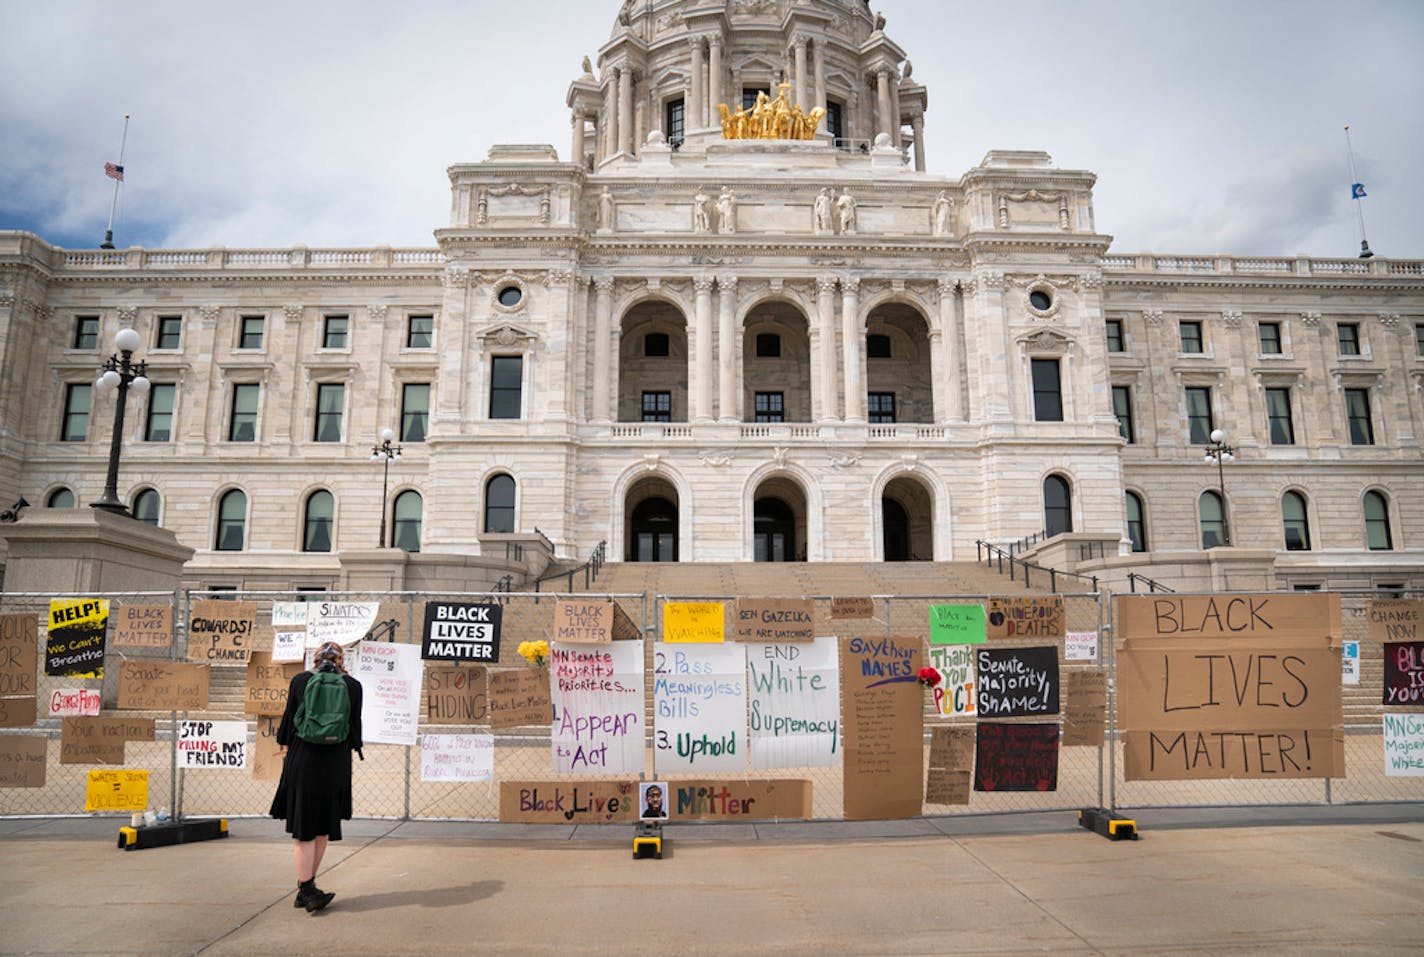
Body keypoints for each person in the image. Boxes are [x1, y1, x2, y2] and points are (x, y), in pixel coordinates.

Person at [269, 641, 364, 913]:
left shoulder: (300, 681)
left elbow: (288, 724)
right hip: (336, 763)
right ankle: (307, 888)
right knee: (322, 826)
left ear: (314, 659)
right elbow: (355, 729)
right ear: (341, 660)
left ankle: (307, 888)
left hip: (304, 760)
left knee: (304, 827)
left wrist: (286, 747)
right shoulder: (353, 686)